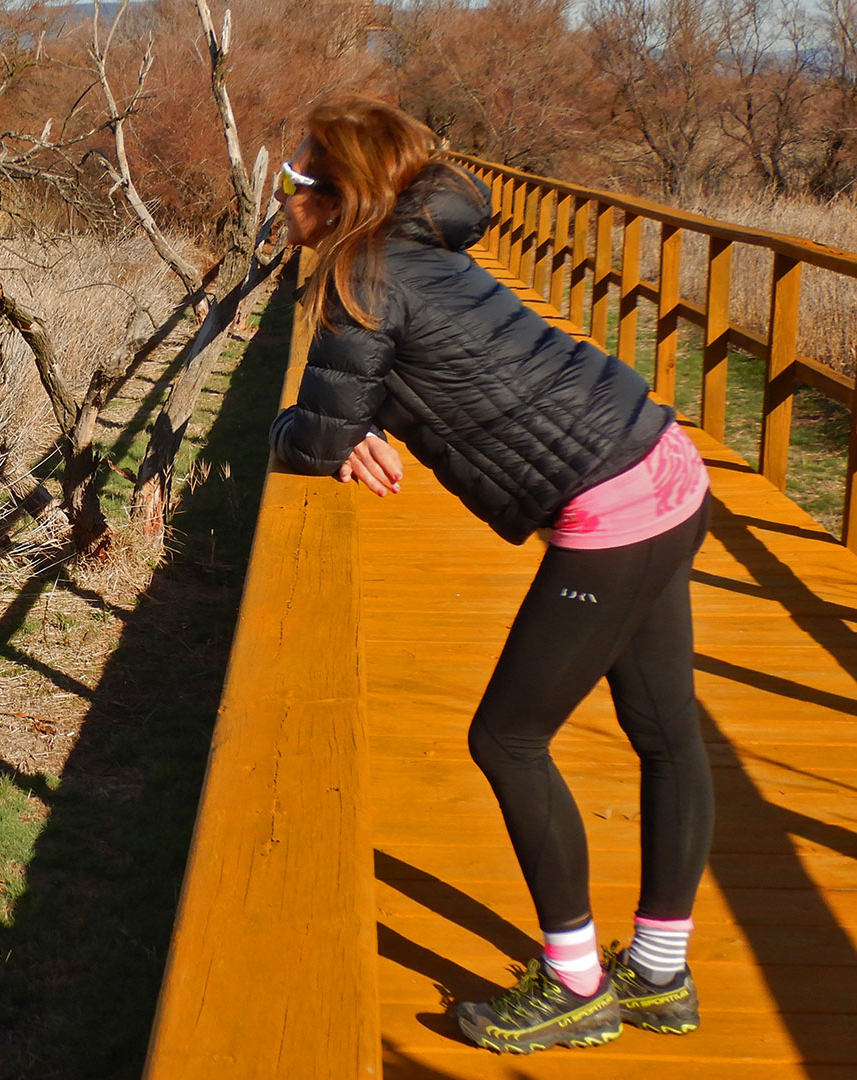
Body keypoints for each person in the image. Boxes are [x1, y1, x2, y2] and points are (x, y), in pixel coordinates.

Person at [268, 94, 713, 1056]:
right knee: (666, 732)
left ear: (340, 192)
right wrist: (358, 421)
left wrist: (308, 433)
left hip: (613, 506)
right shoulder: (417, 248)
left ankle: (576, 986)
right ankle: (662, 976)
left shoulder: (361, 274)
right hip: (663, 459)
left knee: (507, 740)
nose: (284, 188)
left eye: (298, 176)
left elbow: (318, 433)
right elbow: (363, 401)